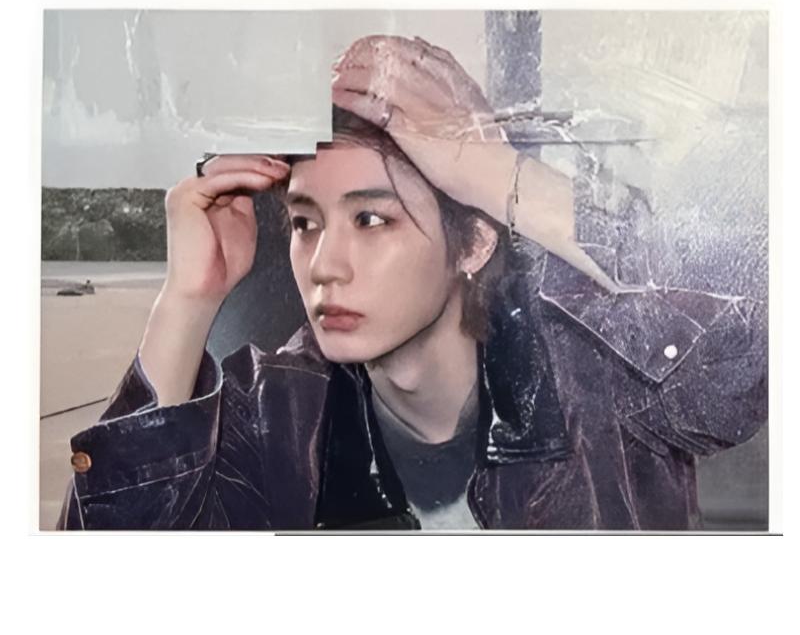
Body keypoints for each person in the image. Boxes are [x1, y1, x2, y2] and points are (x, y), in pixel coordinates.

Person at [57, 35, 767, 530]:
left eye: (371, 219)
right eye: (304, 223)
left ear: (475, 241)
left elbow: (749, 356)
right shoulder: (274, 410)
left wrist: (498, 174)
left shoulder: (595, 380)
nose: (324, 264)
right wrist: (186, 302)